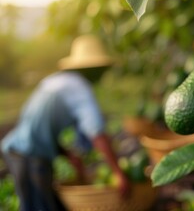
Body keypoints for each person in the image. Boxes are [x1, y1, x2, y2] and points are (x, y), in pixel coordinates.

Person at [1, 34, 131, 211]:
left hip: (19, 150)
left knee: (39, 204)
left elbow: (42, 126)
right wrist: (118, 173)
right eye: (100, 69)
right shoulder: (79, 88)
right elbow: (97, 133)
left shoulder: (56, 82)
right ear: (92, 68)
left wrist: (67, 155)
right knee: (40, 207)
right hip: (28, 155)